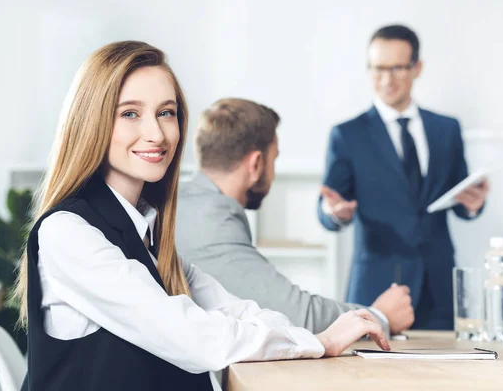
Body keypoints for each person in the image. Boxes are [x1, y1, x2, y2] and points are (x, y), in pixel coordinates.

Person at [13, 41, 390, 391]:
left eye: (166, 113)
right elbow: (190, 336)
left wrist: (307, 338)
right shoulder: (69, 232)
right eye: (130, 113)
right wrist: (317, 343)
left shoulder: (145, 231)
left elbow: (235, 309)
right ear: (91, 122)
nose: (156, 133)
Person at [175, 97, 414, 336]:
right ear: (256, 164)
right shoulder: (213, 219)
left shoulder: (188, 202)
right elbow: (297, 315)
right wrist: (380, 317)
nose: (273, 171)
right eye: (274, 158)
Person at [317, 24, 489, 330]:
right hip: (377, 289)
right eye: (377, 68)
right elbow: (329, 206)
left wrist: (472, 204)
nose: (386, 79)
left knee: (446, 375)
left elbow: (459, 199)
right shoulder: (347, 134)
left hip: (439, 287)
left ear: (417, 68)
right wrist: (334, 213)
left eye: (397, 68)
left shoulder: (446, 129)